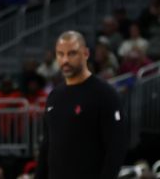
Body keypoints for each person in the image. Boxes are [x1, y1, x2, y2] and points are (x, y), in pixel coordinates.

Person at [35, 31, 126, 179]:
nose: (65, 60)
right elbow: (47, 146)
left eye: (72, 54)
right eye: (60, 54)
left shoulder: (105, 94)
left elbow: (116, 148)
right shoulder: (54, 96)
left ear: (85, 53)